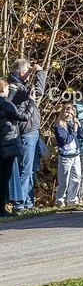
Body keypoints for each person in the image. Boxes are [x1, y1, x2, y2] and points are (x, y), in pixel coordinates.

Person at [7, 58, 46, 212]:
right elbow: (38, 92)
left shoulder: (20, 84)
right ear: (22, 72)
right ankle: (20, 203)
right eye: (28, 70)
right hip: (26, 132)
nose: (30, 73)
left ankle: (28, 202)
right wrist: (40, 72)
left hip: (33, 131)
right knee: (26, 169)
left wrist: (32, 71)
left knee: (33, 168)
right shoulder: (15, 87)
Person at [0, 79, 26, 217]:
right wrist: (32, 103)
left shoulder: (5, 104)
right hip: (7, 145)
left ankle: (2, 208)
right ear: (3, 89)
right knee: (4, 178)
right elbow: (23, 116)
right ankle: (1, 209)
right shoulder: (5, 104)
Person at [53, 104, 83, 207]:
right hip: (65, 156)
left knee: (77, 178)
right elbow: (65, 140)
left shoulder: (72, 124)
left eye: (71, 113)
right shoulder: (58, 125)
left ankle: (72, 200)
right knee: (64, 180)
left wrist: (79, 126)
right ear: (63, 112)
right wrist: (74, 131)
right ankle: (60, 200)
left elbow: (82, 136)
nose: (69, 115)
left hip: (75, 155)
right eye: (67, 112)